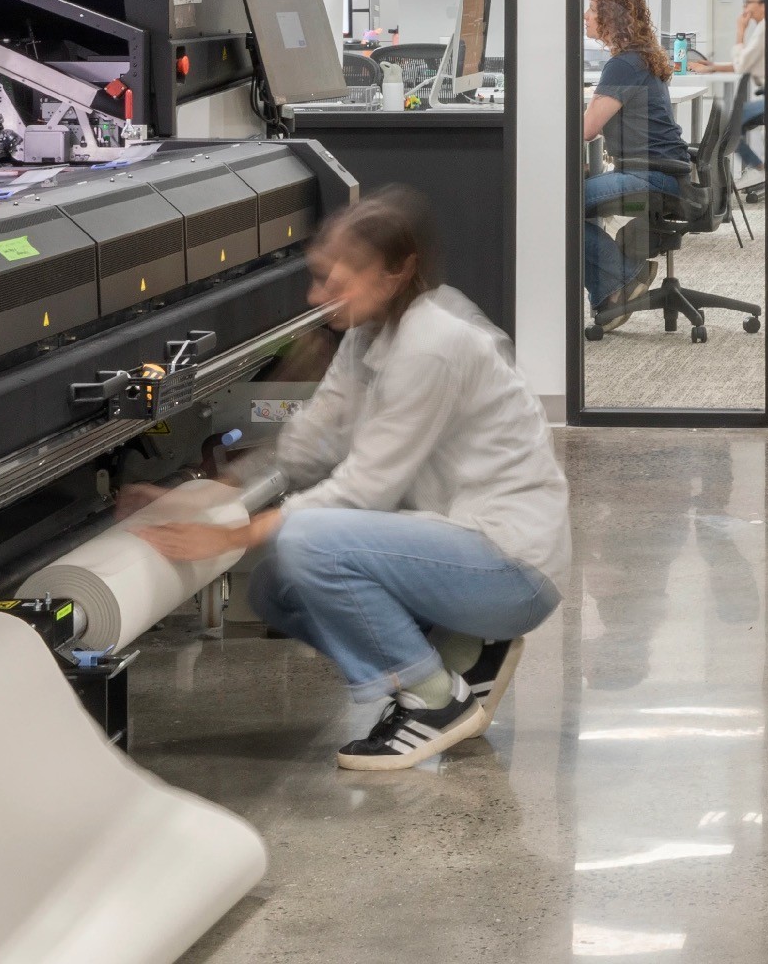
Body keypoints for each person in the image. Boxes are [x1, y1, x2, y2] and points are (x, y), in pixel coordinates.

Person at [135, 188, 570, 770]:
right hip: (457, 544)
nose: (318, 297)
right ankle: (461, 653)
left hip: (510, 565)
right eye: (318, 280)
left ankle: (435, 700)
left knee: (305, 543)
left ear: (396, 273)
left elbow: (364, 490)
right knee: (276, 591)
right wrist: (203, 494)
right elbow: (309, 444)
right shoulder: (370, 334)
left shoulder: (430, 345)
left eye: (337, 284)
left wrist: (230, 535)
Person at [582, 0, 695, 337]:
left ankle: (622, 277)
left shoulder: (623, 65)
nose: (585, 16)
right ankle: (618, 280)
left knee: (561, 204)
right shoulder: (638, 58)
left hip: (650, 179)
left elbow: (586, 130)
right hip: (664, 175)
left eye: (592, 10)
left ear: (611, 18)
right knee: (579, 197)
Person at [689, 0, 768, 176]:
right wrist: (713, 67)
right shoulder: (764, 28)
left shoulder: (765, 29)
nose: (745, 7)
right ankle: (761, 166)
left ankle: (763, 168)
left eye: (749, 2)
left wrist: (740, 31)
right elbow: (745, 62)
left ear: (763, 5)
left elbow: (742, 65)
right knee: (730, 121)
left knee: (730, 122)